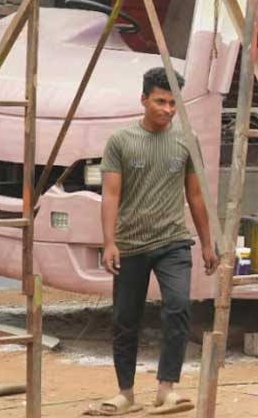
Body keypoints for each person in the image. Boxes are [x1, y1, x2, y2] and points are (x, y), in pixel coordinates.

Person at [88, 68, 218, 416]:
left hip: (173, 241)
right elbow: (110, 195)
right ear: (143, 99)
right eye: (161, 101)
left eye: (174, 103)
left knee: (178, 306)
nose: (168, 109)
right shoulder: (120, 141)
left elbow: (196, 196)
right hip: (130, 245)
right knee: (125, 318)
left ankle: (166, 389)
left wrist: (207, 242)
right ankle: (126, 393)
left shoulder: (186, 139)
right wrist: (109, 242)